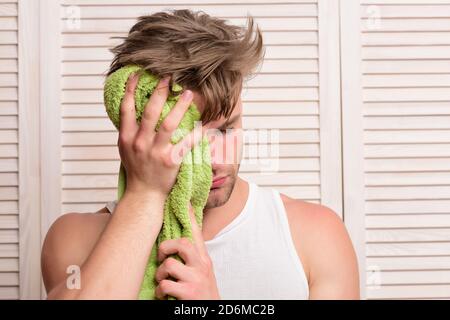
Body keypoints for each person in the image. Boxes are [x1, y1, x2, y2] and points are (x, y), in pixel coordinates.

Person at [41, 9, 359, 300]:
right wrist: (145, 193)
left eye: (226, 130)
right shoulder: (75, 239)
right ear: (138, 135)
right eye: (189, 141)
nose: (217, 160)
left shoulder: (316, 235)